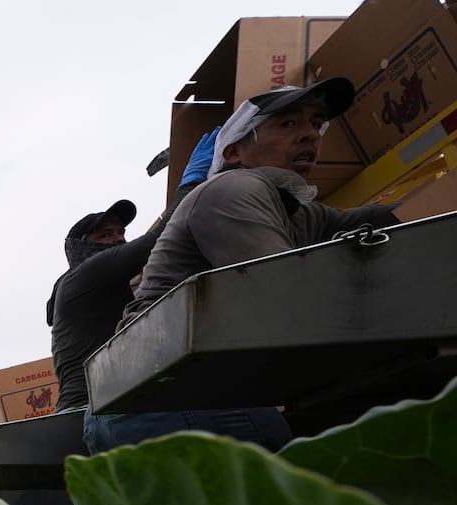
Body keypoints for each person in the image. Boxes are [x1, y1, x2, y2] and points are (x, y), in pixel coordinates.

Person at [87, 77, 402, 457]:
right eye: (288, 124)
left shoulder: (295, 211)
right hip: (166, 392)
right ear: (235, 152)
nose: (309, 135)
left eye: (315, 123)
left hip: (140, 396)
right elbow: (284, 289)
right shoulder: (233, 191)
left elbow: (382, 221)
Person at [47, 129, 219, 414]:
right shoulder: (88, 272)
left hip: (100, 402)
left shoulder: (99, 285)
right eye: (105, 235)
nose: (118, 239)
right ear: (81, 247)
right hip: (93, 407)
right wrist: (192, 182)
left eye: (121, 232)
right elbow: (157, 241)